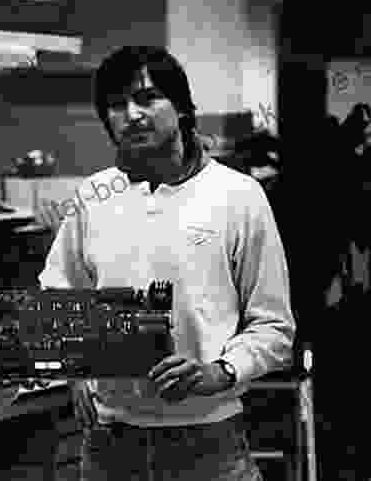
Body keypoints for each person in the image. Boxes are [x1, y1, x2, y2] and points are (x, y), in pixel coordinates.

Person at [38, 46, 295, 480]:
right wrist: (74, 368)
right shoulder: (92, 197)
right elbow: (58, 293)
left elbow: (274, 326)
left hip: (209, 440)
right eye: (117, 106)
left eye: (148, 98)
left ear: (181, 107)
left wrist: (221, 371)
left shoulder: (238, 196)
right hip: (110, 440)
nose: (133, 114)